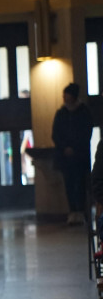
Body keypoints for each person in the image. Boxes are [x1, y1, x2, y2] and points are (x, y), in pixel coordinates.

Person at [51, 82, 94, 225]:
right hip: (65, 157)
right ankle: (72, 211)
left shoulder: (83, 112)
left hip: (79, 155)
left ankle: (80, 211)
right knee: (68, 184)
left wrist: (74, 147)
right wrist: (64, 147)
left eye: (67, 95)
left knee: (80, 183)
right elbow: (56, 133)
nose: (64, 97)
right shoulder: (61, 113)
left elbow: (86, 132)